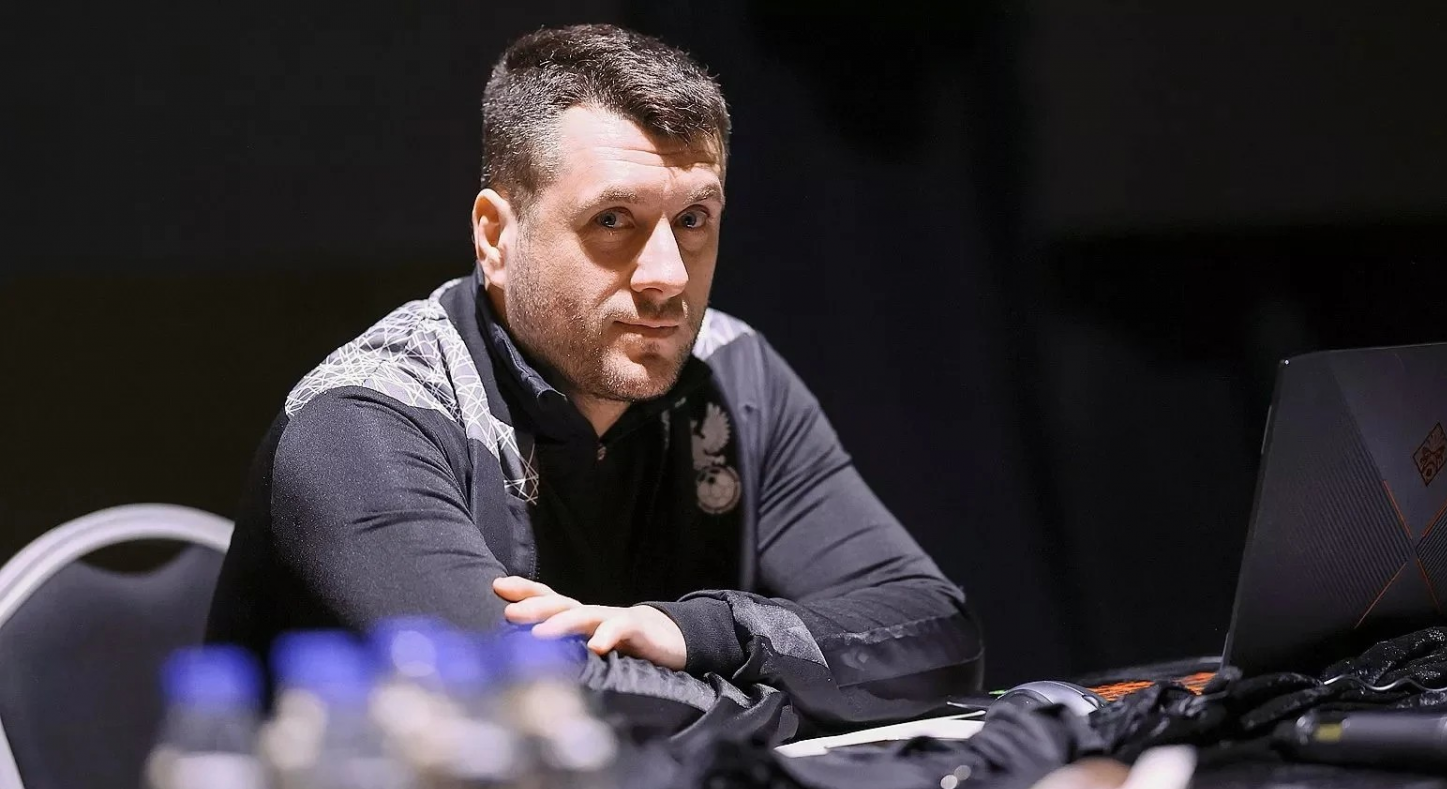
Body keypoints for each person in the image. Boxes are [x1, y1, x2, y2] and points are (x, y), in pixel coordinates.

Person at [207, 23, 983, 721]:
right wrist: (806, 697)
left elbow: (938, 639)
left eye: (693, 220)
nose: (668, 276)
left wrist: (695, 630)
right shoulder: (365, 420)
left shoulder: (735, 372)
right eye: (613, 220)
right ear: (495, 236)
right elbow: (539, 713)